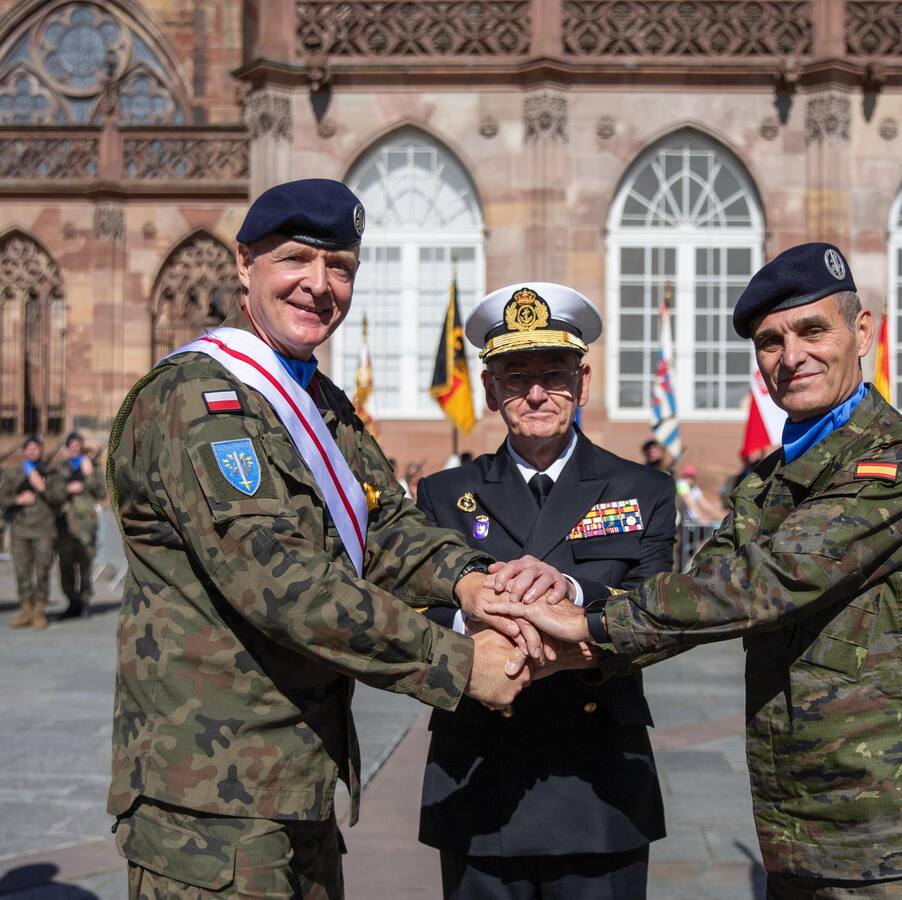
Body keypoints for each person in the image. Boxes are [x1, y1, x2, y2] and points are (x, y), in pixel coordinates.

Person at [105, 179, 565, 898]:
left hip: (297, 780)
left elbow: (386, 526)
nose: (319, 285)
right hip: (209, 805)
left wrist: (475, 582)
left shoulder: (320, 403)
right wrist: (456, 661)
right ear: (244, 264)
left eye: (340, 266)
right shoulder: (197, 399)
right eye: (295, 259)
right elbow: (279, 580)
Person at [487, 243, 902, 895]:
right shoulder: (769, 481)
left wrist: (589, 623)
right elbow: (701, 590)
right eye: (771, 342)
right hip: (799, 822)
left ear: (862, 332)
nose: (792, 356)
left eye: (813, 330)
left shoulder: (901, 463)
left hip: (899, 833)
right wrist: (567, 652)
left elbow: (769, 580)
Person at [414, 282, 676, 899]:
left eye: (554, 375)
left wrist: (571, 590)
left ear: (582, 383)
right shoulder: (444, 495)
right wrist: (481, 623)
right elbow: (418, 606)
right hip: (479, 774)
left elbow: (659, 609)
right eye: (516, 377)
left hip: (597, 784)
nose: (537, 394)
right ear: (489, 390)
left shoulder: (642, 490)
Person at [5, 436, 62, 630]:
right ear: (24, 451)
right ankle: (26, 610)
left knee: (43, 570)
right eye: (28, 448)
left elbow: (60, 499)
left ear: (42, 450)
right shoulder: (14, 473)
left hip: (44, 529)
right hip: (20, 530)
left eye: (35, 448)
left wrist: (42, 488)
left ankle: (40, 611)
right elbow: (2, 498)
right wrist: (17, 500)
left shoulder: (52, 472)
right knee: (22, 572)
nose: (32, 451)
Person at [55, 431, 104, 620]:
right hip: (65, 523)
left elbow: (101, 491)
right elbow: (53, 492)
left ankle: (83, 600)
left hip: (86, 523)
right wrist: (67, 488)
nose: (74, 448)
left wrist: (89, 475)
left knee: (85, 562)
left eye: (78, 445)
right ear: (67, 448)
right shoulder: (60, 468)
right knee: (65, 563)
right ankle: (71, 600)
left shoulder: (92, 467)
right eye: (71, 445)